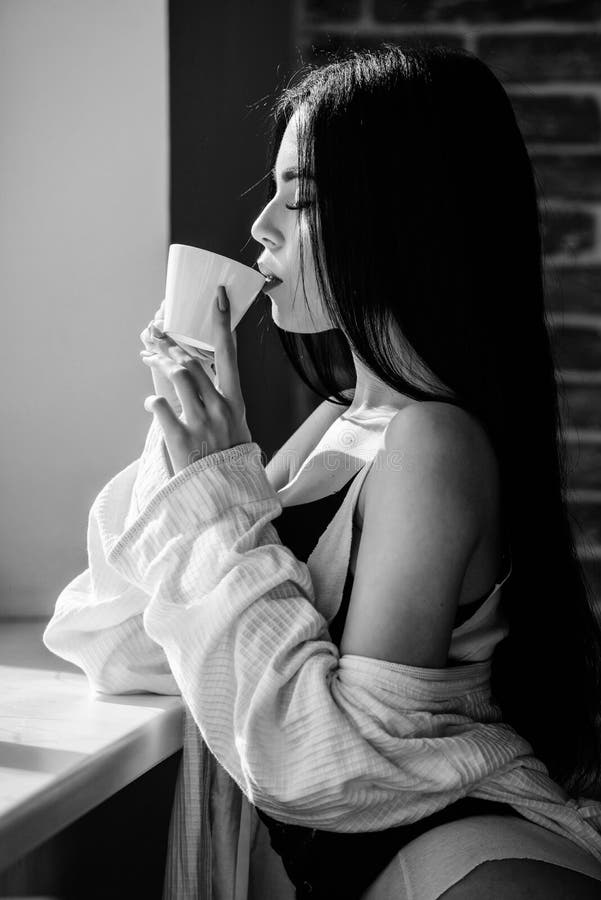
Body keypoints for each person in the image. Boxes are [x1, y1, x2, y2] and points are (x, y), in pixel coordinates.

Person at [43, 44, 601, 899]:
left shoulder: (433, 444)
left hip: (460, 868)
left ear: (403, 215)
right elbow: (116, 643)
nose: (260, 225)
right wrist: (182, 446)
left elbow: (322, 765)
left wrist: (218, 485)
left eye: (298, 197)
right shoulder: (338, 429)